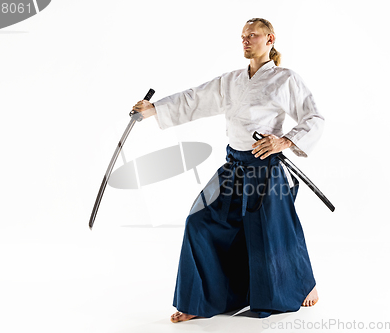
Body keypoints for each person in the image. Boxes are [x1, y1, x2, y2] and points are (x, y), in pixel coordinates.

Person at [133, 18, 324, 323]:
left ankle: (304, 285)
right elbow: (194, 98)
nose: (246, 40)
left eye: (253, 36)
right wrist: (155, 109)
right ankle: (200, 299)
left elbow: (314, 117)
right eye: (243, 36)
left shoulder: (285, 79)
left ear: (270, 39)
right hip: (234, 166)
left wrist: (284, 141)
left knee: (273, 232)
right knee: (199, 223)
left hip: (264, 169)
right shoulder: (231, 80)